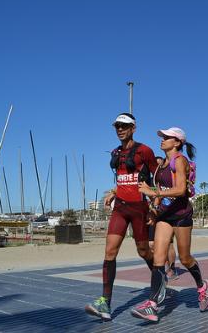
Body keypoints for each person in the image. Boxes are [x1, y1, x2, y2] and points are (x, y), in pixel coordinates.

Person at [132, 127, 208, 323]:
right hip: (165, 216)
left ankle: (202, 287)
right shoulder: (161, 165)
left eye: (167, 137)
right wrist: (154, 208)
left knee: (185, 258)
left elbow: (180, 190)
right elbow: (160, 191)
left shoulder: (180, 160)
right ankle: (152, 305)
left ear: (177, 142)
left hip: (182, 215)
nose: (162, 140)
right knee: (158, 259)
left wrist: (155, 193)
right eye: (162, 137)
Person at [85, 113, 158, 321]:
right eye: (117, 126)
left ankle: (159, 278)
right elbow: (124, 179)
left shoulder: (145, 151)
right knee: (110, 251)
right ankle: (105, 303)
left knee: (144, 251)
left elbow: (157, 178)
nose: (120, 129)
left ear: (133, 128)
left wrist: (156, 205)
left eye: (124, 126)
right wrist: (114, 192)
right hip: (121, 208)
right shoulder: (116, 152)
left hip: (140, 208)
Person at [148, 156, 179, 280]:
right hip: (153, 213)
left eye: (160, 164)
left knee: (169, 244)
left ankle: (172, 268)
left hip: (167, 213)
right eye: (155, 165)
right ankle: (164, 266)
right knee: (151, 244)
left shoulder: (169, 178)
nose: (157, 167)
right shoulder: (151, 181)